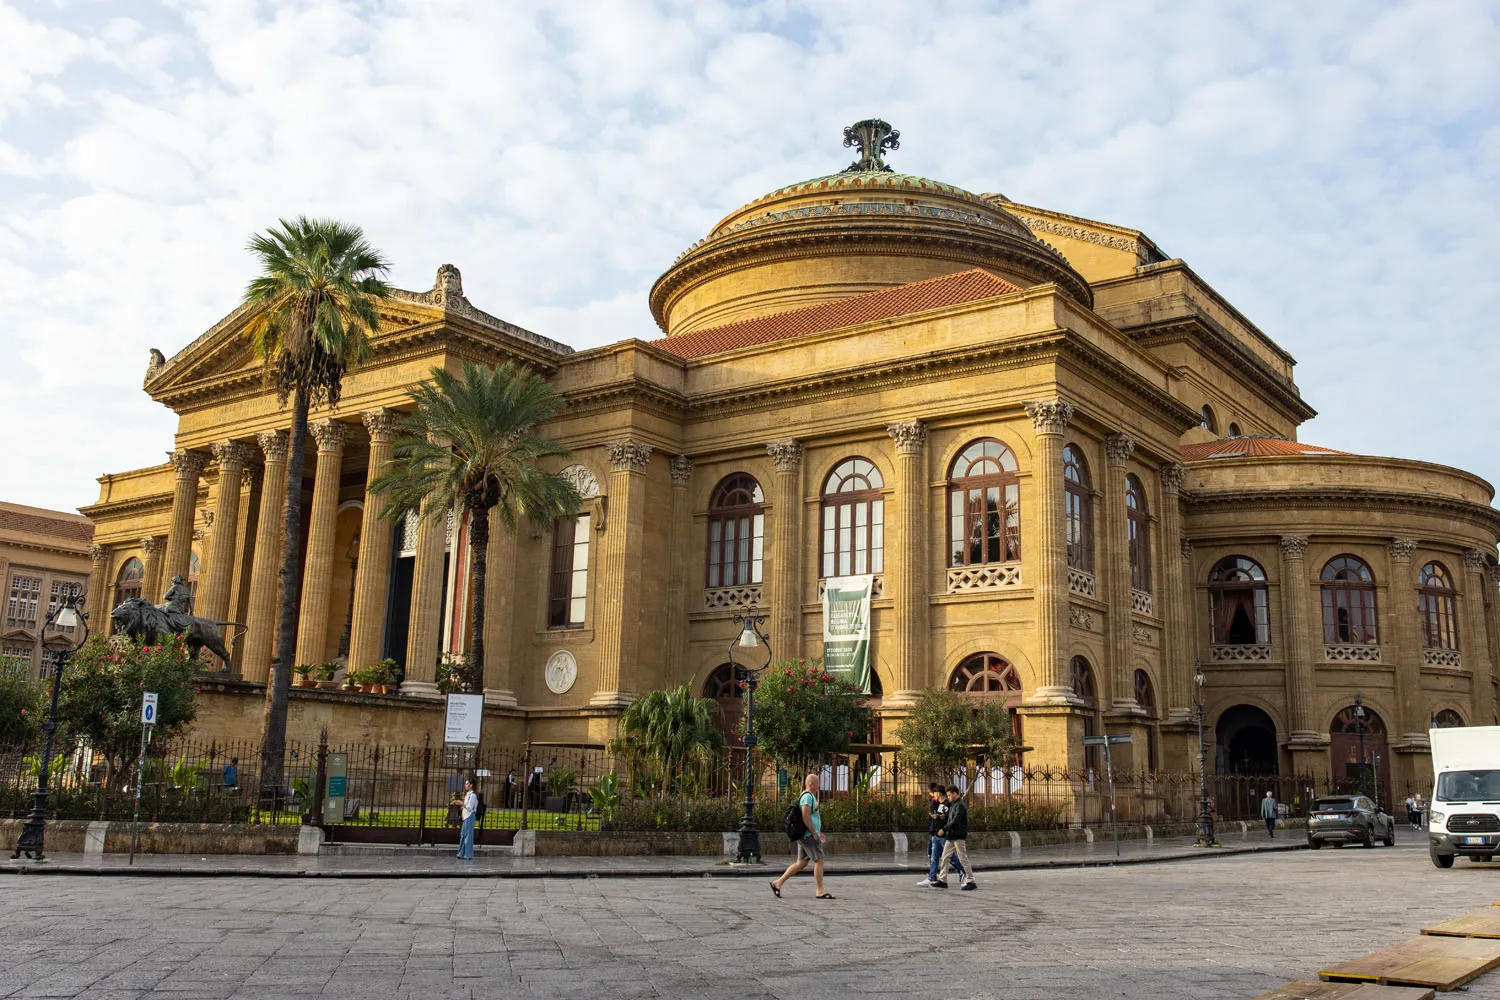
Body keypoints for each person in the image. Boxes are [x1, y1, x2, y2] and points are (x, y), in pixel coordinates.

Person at [770, 773, 833, 900]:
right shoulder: (808, 797)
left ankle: (778, 883)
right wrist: (814, 833)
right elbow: (806, 816)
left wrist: (818, 831)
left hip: (807, 834)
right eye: (817, 783)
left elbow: (813, 817)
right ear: (811, 784)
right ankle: (820, 890)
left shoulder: (807, 796)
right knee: (819, 860)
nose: (818, 786)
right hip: (808, 835)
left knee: (801, 863)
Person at [918, 782, 964, 887]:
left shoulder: (946, 805)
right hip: (936, 834)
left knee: (949, 856)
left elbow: (945, 821)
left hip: (942, 835)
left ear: (938, 793)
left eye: (934, 793)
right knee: (934, 856)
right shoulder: (939, 804)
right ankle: (932, 876)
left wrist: (937, 818)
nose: (933, 795)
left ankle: (962, 871)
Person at [932, 786, 975, 890]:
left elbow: (955, 821)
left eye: (950, 794)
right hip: (951, 836)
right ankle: (943, 880)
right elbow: (948, 817)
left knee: (963, 858)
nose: (949, 797)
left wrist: (944, 829)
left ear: (955, 793)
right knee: (945, 857)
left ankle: (971, 881)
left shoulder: (960, 806)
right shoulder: (953, 805)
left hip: (958, 836)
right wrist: (940, 817)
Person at [453, 777, 477, 861]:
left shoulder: (473, 795)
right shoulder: (468, 795)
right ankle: (461, 853)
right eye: (465, 784)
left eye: (467, 784)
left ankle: (468, 854)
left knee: (468, 836)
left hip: (469, 816)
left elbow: (470, 808)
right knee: (463, 835)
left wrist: (461, 803)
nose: (465, 785)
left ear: (471, 785)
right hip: (465, 817)